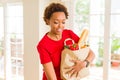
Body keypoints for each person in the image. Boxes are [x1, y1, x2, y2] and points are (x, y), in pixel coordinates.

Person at [37, 2, 95, 80]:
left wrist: (83, 64)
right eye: (56, 22)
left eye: (63, 22)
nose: (60, 26)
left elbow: (91, 54)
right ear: (47, 21)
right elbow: (52, 78)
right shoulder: (43, 45)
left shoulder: (69, 34)